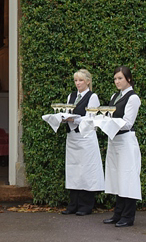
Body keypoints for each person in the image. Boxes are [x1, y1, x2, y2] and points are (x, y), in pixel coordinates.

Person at [61, 69, 105, 216]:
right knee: (73, 170)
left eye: (80, 80)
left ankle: (86, 206)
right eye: (75, 81)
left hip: (86, 138)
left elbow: (90, 118)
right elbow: (67, 113)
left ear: (88, 81)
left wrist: (72, 119)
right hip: (72, 138)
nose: (78, 83)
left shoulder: (93, 97)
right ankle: (73, 204)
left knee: (86, 170)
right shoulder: (71, 96)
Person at [103, 65, 141, 227]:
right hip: (115, 141)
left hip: (126, 141)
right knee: (117, 177)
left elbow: (127, 123)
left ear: (129, 79)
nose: (117, 82)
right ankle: (118, 214)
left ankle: (128, 216)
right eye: (115, 79)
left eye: (120, 78)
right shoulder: (115, 96)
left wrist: (108, 122)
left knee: (128, 178)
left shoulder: (133, 98)